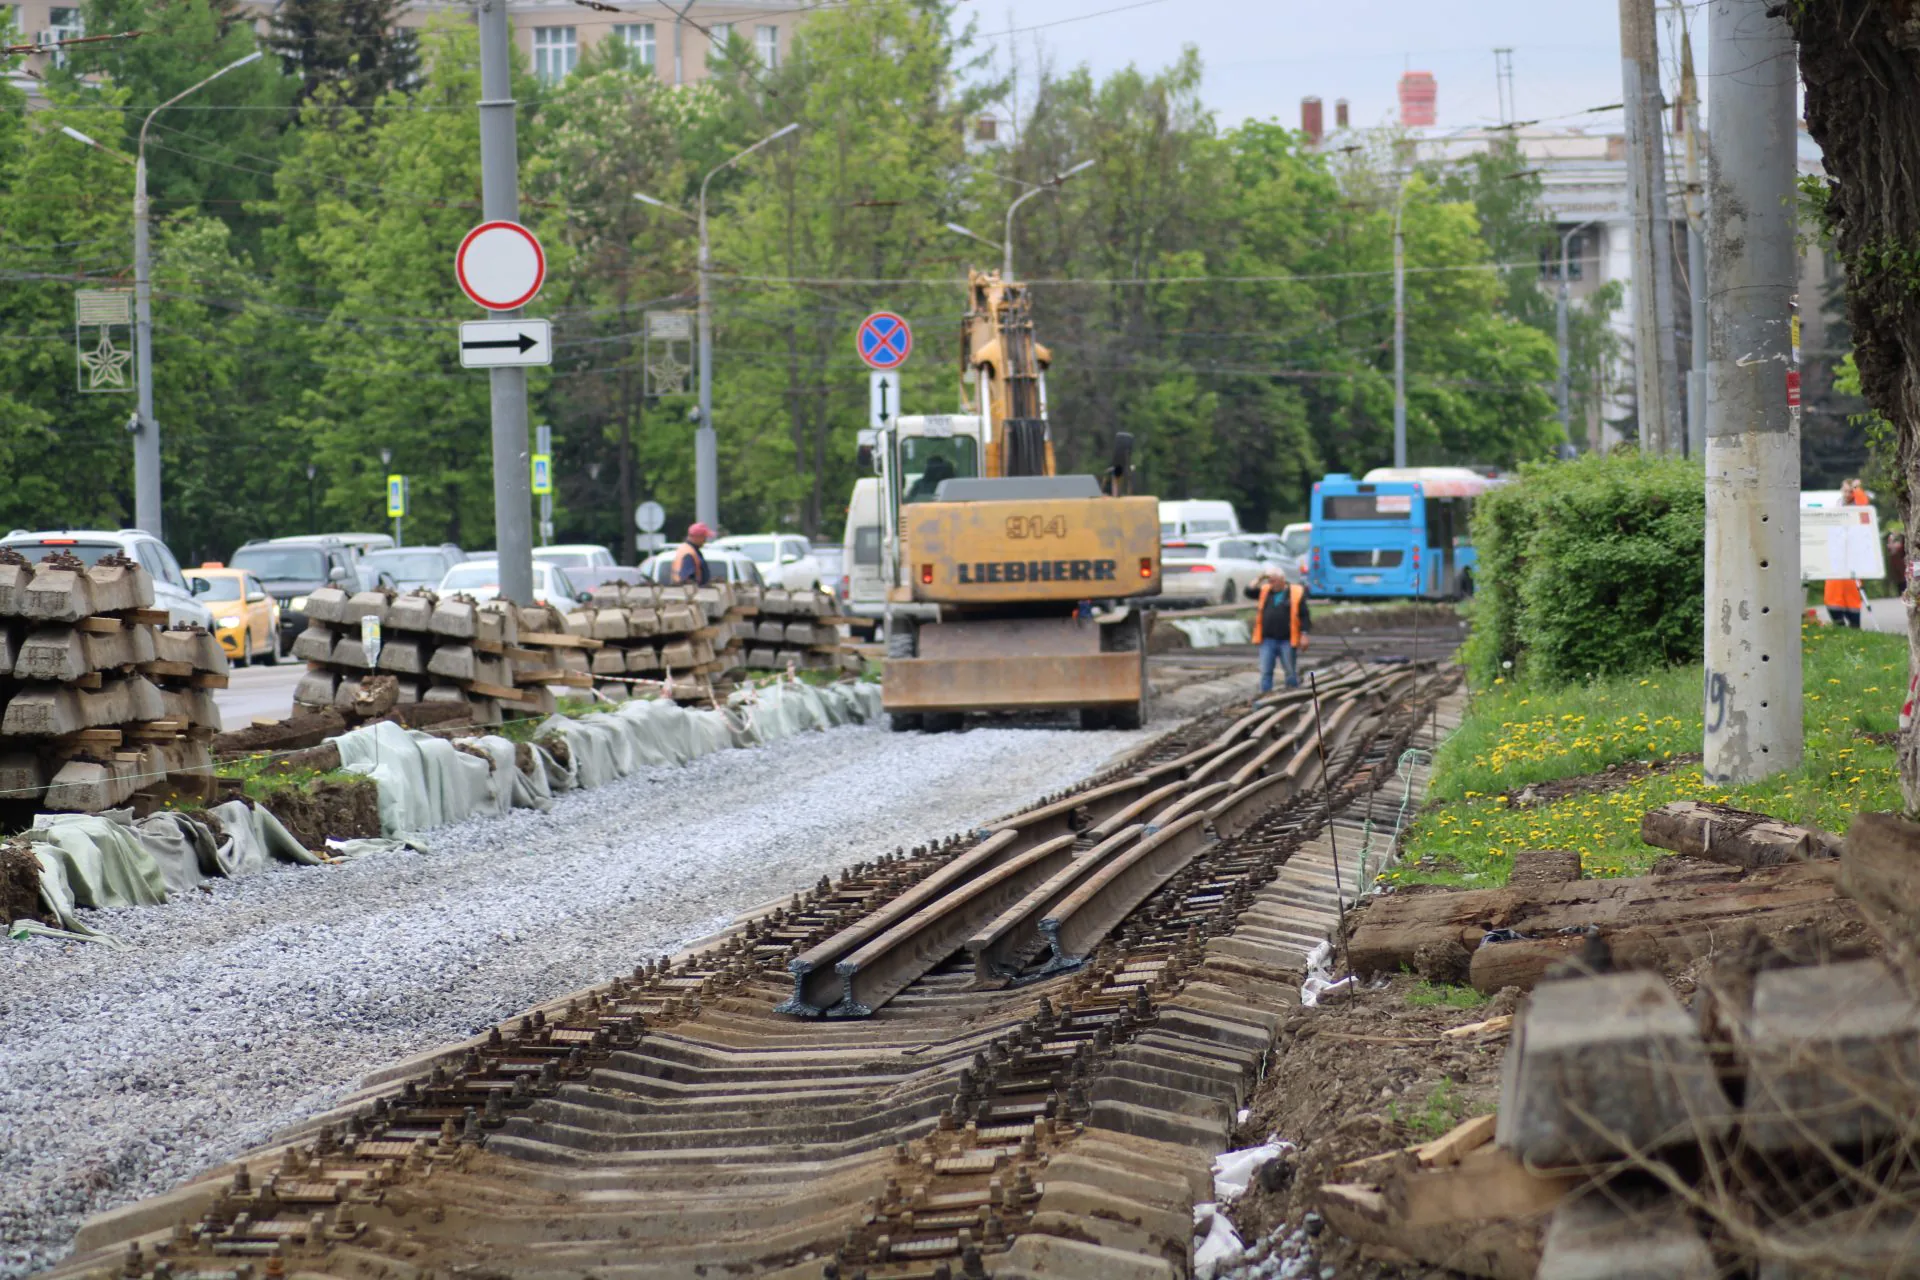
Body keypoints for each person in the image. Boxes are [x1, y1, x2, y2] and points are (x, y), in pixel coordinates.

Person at [1245, 568, 1310, 692]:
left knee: (1290, 671)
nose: (1271, 584)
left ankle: (1292, 693)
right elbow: (1248, 591)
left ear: (1282, 580)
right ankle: (1265, 695)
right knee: (1266, 671)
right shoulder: (1265, 591)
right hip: (1267, 639)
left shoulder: (1295, 593)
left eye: (1274, 581)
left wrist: (1304, 634)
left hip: (1287, 639)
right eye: (1269, 581)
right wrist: (1260, 578)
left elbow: (1304, 615)